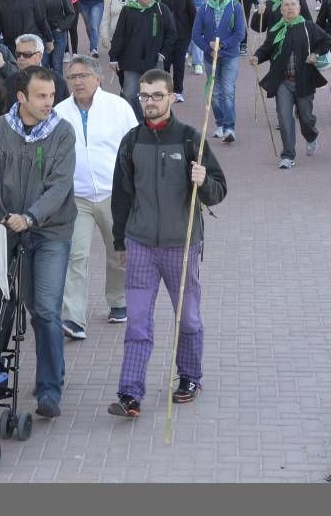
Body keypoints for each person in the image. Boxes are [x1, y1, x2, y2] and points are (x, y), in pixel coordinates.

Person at [0, 66, 77, 419]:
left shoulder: (62, 132)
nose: (49, 102)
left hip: (50, 231)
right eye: (41, 95)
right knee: (14, 307)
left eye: (51, 95)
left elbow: (60, 186)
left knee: (47, 311)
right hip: (9, 230)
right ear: (21, 97)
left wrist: (32, 216)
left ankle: (50, 388)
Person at [108, 69, 227, 418]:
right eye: (144, 96)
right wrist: (120, 242)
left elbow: (218, 191)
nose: (150, 102)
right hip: (140, 243)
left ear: (172, 97)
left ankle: (189, 376)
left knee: (187, 318)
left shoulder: (191, 139)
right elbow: (121, 197)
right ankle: (130, 393)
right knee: (138, 323)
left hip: (182, 243)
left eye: (157, 95)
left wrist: (203, 182)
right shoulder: (131, 141)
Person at [56, 55, 137, 341]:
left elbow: (132, 148)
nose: (77, 81)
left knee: (118, 253)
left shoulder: (118, 107)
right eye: (72, 77)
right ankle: (73, 318)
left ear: (97, 78)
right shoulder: (60, 112)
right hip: (76, 197)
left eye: (82, 75)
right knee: (75, 255)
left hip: (114, 193)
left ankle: (118, 300)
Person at [251, 0, 331, 168]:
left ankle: (311, 136)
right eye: (286, 5)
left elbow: (327, 40)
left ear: (299, 8)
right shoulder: (277, 30)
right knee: (285, 119)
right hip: (282, 83)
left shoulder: (309, 27)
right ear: (281, 10)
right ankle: (288, 155)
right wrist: (257, 57)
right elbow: (266, 49)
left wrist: (316, 53)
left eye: (292, 5)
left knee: (306, 118)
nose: (289, 8)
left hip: (304, 81)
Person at [109, 0, 177, 119]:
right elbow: (119, 34)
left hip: (154, 60)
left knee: (157, 94)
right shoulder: (128, 9)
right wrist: (113, 57)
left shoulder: (160, 9)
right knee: (129, 93)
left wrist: (162, 54)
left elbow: (172, 33)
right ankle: (138, 122)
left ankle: (156, 121)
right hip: (131, 60)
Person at [192, 0, 246, 144]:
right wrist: (209, 49)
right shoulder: (205, 8)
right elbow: (196, 34)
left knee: (228, 90)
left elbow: (240, 33)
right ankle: (221, 123)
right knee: (214, 93)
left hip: (230, 56)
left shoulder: (235, 6)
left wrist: (222, 45)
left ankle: (230, 128)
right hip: (210, 57)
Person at [156, 0, 198, 102]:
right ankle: (166, 91)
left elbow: (193, 14)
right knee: (165, 64)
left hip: (182, 35)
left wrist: (195, 32)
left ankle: (178, 91)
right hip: (164, 36)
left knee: (179, 63)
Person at [4, 34, 70, 107]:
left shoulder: (57, 81)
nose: (21, 58)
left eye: (27, 54)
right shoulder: (9, 82)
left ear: (39, 56)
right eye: (18, 54)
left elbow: (66, 111)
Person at [37, 0, 77, 75]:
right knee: (43, 65)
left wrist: (61, 28)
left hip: (58, 34)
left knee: (56, 65)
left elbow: (71, 13)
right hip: (44, 35)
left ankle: (59, 91)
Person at [181, 0, 213, 75]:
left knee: (197, 35)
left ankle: (198, 63)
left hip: (200, 8)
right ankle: (189, 54)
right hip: (184, 9)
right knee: (187, 35)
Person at [100, 0, 138, 73]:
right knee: (118, 67)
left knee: (130, 66)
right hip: (115, 38)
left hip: (132, 39)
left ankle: (127, 87)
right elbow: (105, 18)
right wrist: (104, 36)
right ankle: (123, 86)